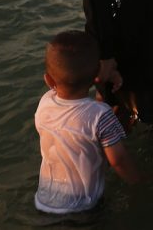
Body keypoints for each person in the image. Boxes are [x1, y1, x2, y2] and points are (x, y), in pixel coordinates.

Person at [34, 31, 141, 214]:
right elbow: (118, 160)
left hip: (43, 203)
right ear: (96, 77)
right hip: (84, 208)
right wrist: (140, 182)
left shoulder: (45, 103)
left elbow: (75, 126)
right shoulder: (101, 115)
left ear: (48, 79)